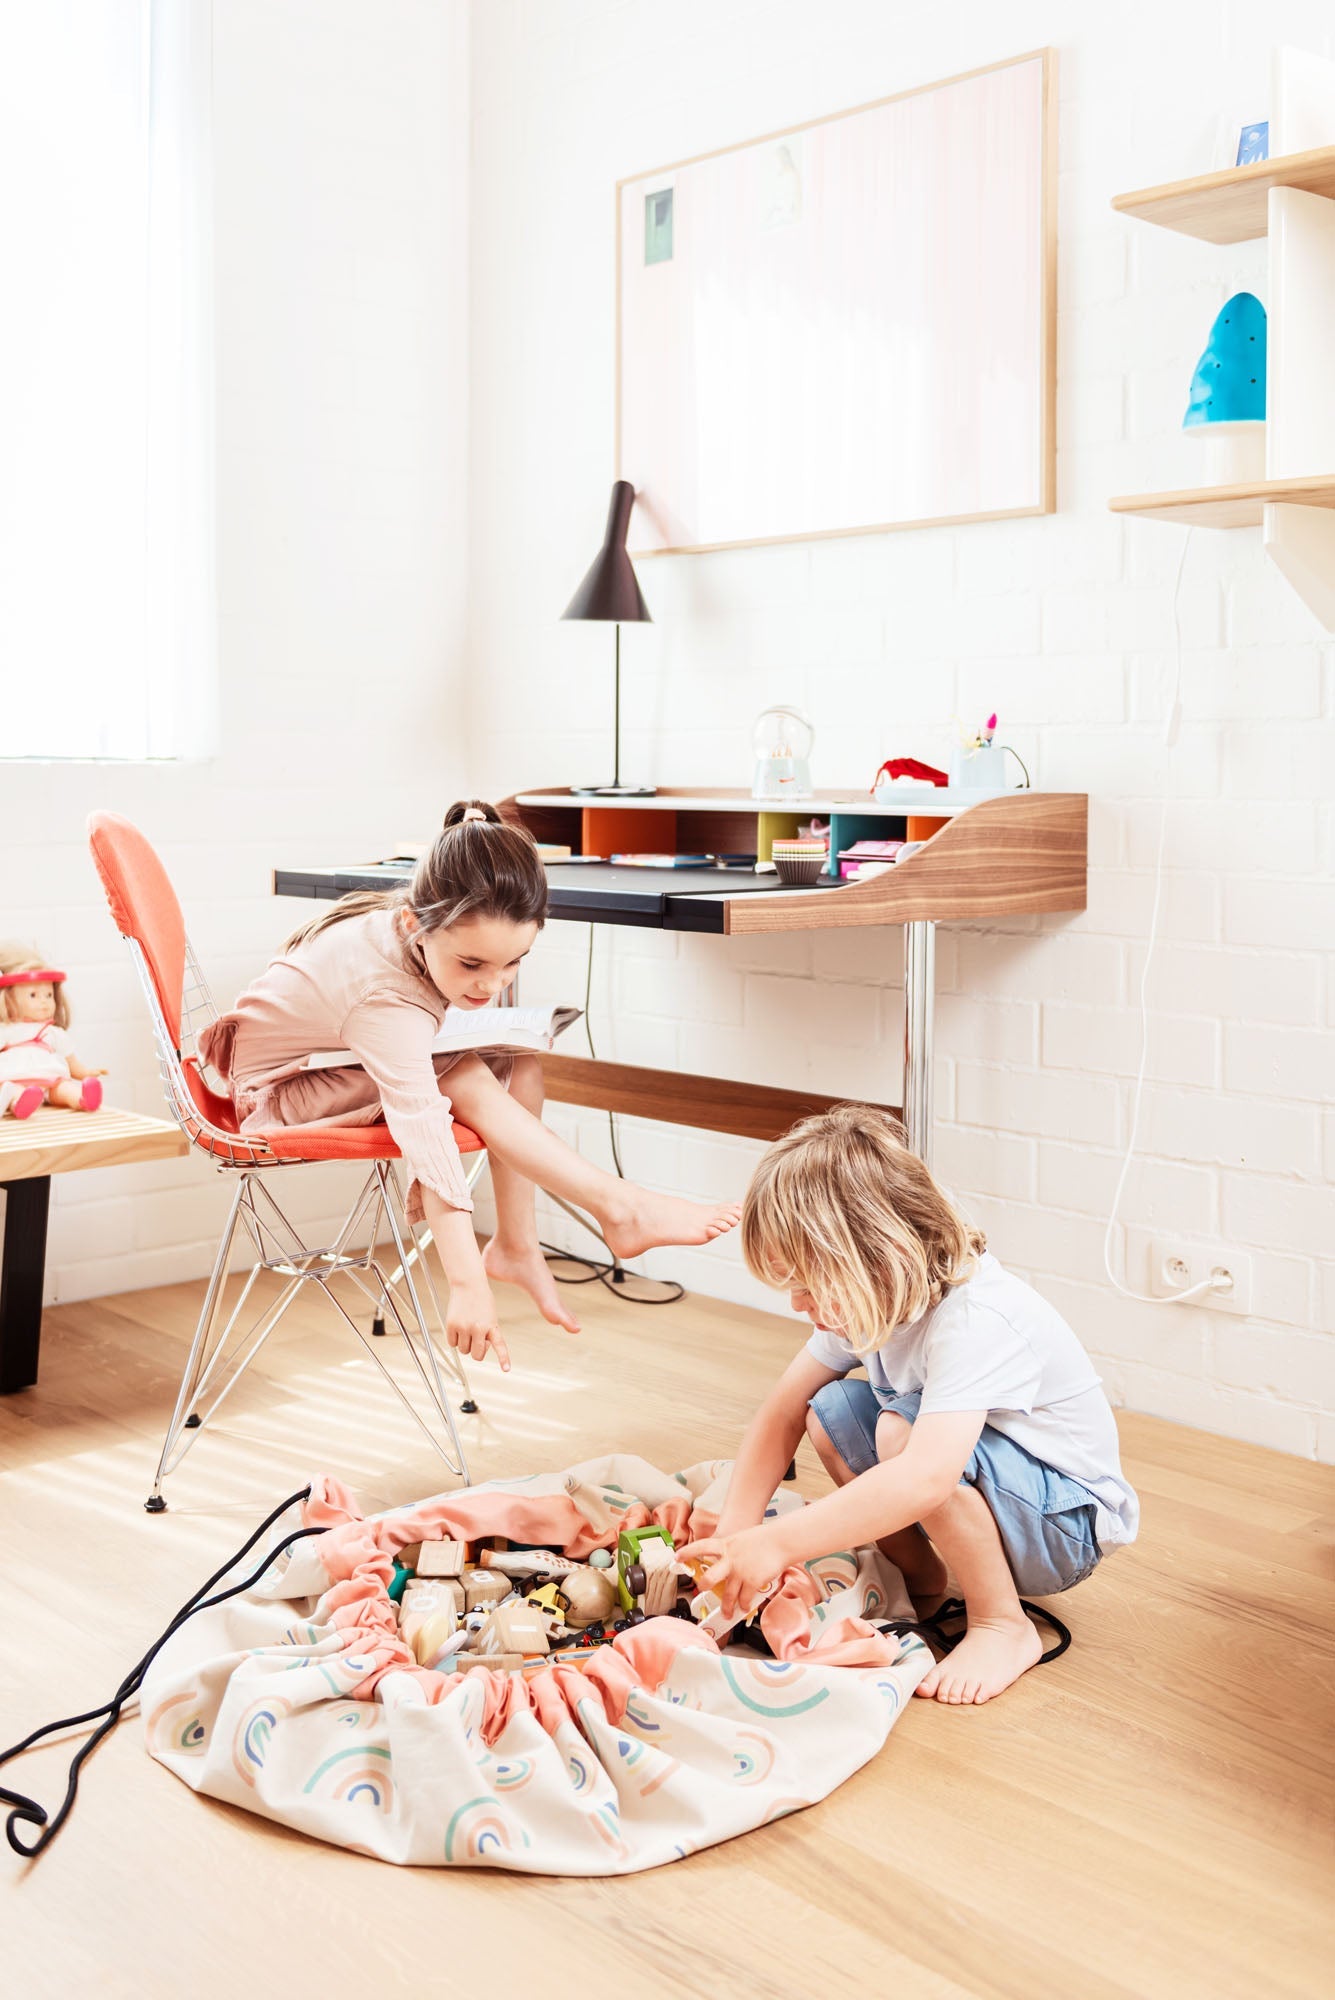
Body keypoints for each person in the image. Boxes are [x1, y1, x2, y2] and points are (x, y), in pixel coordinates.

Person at [200, 800, 739, 1371]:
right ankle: (620, 1207)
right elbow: (426, 1137)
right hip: (270, 1098)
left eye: (514, 963)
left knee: (522, 1066)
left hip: (318, 1066)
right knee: (457, 1070)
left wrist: (478, 986)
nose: (492, 984)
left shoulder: (411, 928)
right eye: (472, 964)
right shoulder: (386, 998)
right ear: (416, 923)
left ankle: (516, 1244)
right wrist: (464, 1285)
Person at [680, 1104, 1138, 1704]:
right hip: (1000, 1497)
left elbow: (925, 1478)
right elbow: (783, 1409)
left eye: (808, 1286)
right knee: (831, 1411)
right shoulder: (867, 1300)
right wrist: (737, 1535)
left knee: (901, 1434)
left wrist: (777, 1543)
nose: (798, 1304)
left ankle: (1002, 1622)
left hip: (1062, 1526)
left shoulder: (975, 1319)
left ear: (874, 1257)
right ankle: (921, 1575)